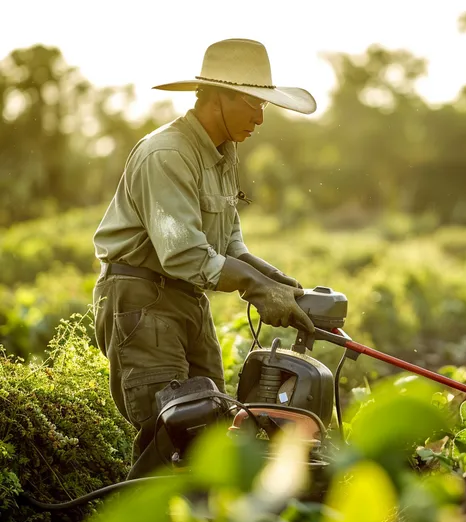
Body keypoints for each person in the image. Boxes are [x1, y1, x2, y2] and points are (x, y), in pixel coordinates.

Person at [91, 38, 317, 479]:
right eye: (253, 102)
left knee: (213, 424)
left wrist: (276, 282)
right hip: (143, 300)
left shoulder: (222, 153)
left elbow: (229, 243)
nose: (260, 116)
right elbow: (184, 253)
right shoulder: (167, 153)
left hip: (188, 300)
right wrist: (255, 288)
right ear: (217, 97)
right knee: (174, 429)